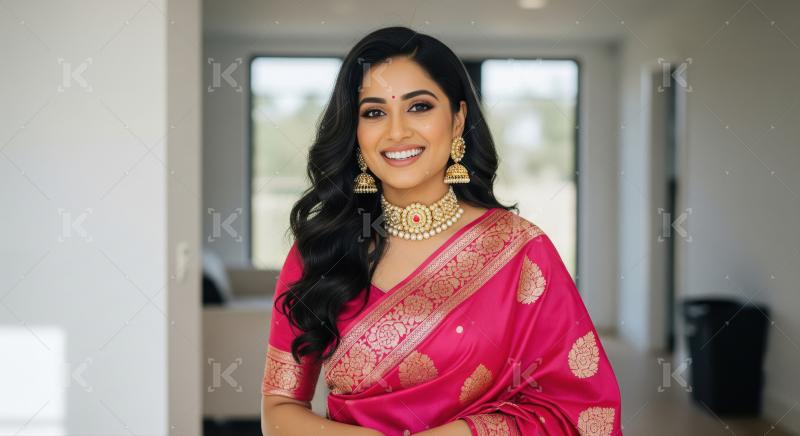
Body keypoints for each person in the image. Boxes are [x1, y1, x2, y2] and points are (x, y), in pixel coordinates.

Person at [260, 26, 622, 436]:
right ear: (355, 133)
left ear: (457, 120)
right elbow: (278, 411)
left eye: (419, 107)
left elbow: (580, 412)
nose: (397, 132)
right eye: (374, 112)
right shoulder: (321, 251)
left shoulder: (520, 251)